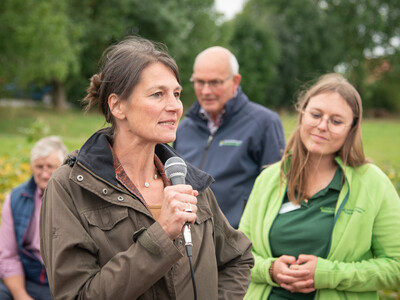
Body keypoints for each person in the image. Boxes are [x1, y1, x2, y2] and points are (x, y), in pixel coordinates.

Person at [39, 37, 254, 300]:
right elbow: (77, 296)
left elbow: (238, 257)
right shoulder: (70, 185)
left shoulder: (186, 180)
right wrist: (160, 235)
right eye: (157, 94)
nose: (175, 106)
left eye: (176, 93)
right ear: (118, 105)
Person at [239, 73, 400, 299]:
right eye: (315, 115)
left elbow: (396, 267)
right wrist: (270, 269)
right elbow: (240, 256)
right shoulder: (269, 179)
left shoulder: (372, 183)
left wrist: (328, 274)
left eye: (336, 121)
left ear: (351, 129)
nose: (322, 126)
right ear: (302, 115)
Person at [173, 46, 285, 229]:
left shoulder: (264, 123)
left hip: (237, 241)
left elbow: (275, 191)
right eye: (199, 82)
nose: (206, 91)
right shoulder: (183, 127)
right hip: (190, 239)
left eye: (215, 82)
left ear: (235, 81)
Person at [0, 136, 67, 300]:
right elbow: (8, 255)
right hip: (27, 279)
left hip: (63, 283)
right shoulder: (16, 198)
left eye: (50, 167)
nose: (44, 174)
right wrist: (21, 296)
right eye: (39, 167)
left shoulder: (75, 199)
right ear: (32, 168)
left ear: (63, 167)